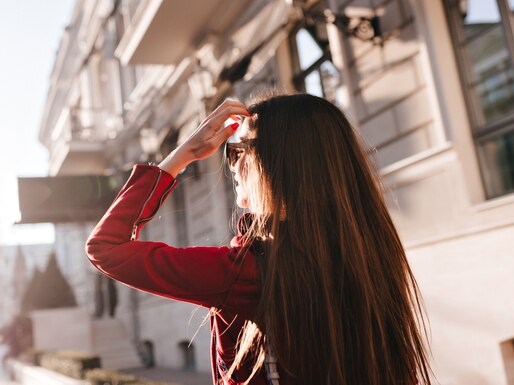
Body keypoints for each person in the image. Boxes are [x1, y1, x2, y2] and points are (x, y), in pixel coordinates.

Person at [85, 93, 432, 385]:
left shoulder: (246, 271)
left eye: (241, 150)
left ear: (280, 163)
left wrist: (182, 155)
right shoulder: (370, 248)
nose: (232, 165)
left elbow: (106, 248)